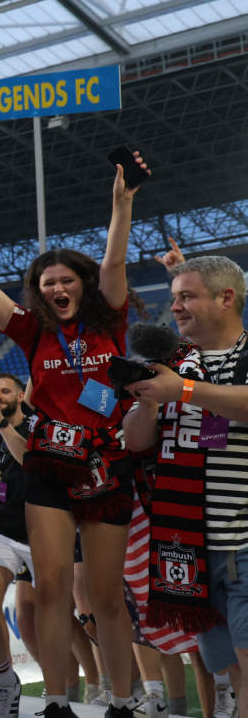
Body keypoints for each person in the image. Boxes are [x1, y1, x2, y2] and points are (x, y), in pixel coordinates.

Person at [0, 152, 148, 718]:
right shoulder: (30, 332)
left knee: (104, 596)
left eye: (66, 279)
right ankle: (56, 700)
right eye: (47, 282)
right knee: (51, 587)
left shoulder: (111, 319)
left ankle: (123, 701)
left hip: (106, 466)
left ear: (82, 285)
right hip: (49, 467)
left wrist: (121, 205)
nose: (56, 286)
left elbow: (115, 259)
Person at [123, 256, 248, 714]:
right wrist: (148, 404)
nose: (174, 307)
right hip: (188, 549)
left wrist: (184, 392)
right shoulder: (176, 365)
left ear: (226, 298)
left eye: (187, 296)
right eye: (173, 297)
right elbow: (137, 444)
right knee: (230, 672)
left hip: (243, 539)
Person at [0, 374, 42, 670]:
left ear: (20, 397)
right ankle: (5, 678)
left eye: (5, 391)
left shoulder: (35, 428)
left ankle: (91, 680)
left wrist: (2, 426)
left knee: (57, 616)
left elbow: (28, 459)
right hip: (3, 530)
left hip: (42, 531)